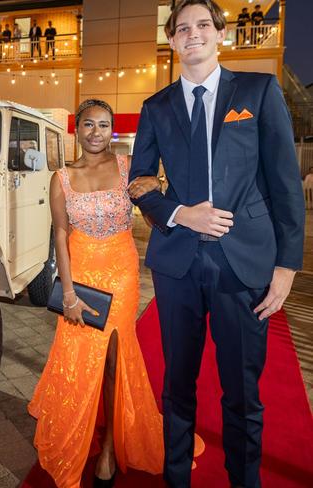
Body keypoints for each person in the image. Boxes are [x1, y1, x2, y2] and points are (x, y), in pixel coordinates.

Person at [128, 1, 305, 487]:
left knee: (242, 392)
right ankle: (176, 477)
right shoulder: (156, 107)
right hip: (177, 263)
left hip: (244, 263)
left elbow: (286, 182)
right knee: (177, 386)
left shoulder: (258, 90)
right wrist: (181, 213)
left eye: (202, 25)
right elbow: (139, 181)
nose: (193, 34)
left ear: (219, 34)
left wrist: (287, 265)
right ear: (171, 40)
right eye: (182, 28)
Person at [29, 99, 177, 488]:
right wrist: (69, 294)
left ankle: (110, 446)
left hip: (121, 270)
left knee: (114, 358)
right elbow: (60, 234)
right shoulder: (61, 177)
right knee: (80, 355)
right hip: (81, 273)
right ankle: (81, 427)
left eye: (104, 125)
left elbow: (152, 213)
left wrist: (158, 189)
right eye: (89, 125)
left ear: (112, 130)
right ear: (76, 129)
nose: (96, 132)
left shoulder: (129, 168)